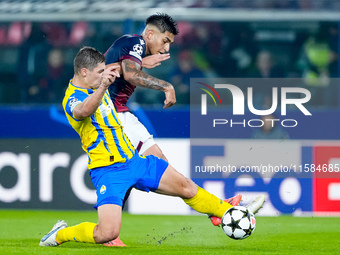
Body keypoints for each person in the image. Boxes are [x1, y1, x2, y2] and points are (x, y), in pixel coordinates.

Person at [39, 47, 265, 247]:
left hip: (135, 162)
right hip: (108, 171)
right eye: (99, 73)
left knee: (186, 187)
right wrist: (103, 86)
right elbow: (83, 112)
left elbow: (120, 68)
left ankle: (227, 213)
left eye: (103, 72)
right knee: (107, 233)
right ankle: (60, 234)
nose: (103, 76)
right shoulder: (73, 97)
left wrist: (140, 63)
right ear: (83, 72)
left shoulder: (97, 79)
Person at [104, 13, 242, 231]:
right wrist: (166, 86)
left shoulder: (134, 49)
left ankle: (215, 209)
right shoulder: (134, 42)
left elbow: (124, 69)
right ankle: (216, 208)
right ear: (149, 34)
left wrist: (141, 64)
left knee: (160, 164)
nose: (167, 48)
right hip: (110, 118)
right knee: (140, 172)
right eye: (165, 41)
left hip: (121, 115)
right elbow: (130, 74)